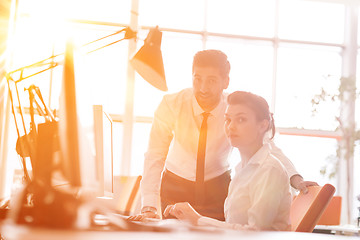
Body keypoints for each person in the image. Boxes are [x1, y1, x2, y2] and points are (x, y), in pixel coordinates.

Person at [128, 49, 316, 222]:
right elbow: (155, 154)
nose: (203, 88)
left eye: (211, 81)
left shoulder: (234, 109)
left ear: (225, 81)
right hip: (175, 185)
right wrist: (149, 206)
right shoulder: (171, 104)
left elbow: (267, 145)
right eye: (197, 79)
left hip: (218, 188)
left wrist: (294, 178)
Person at [163, 91, 291, 231]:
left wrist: (198, 220)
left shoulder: (269, 170)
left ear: (262, 125)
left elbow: (255, 233)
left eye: (241, 119)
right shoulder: (242, 169)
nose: (230, 127)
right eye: (228, 119)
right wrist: (192, 220)